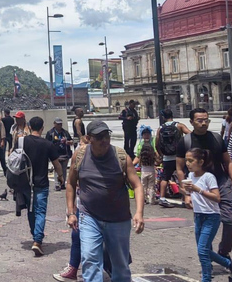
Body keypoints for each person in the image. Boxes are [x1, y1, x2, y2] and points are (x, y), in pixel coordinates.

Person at [65, 120, 144, 281]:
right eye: (99, 137)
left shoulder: (120, 156)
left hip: (118, 219)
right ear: (88, 138)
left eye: (106, 136)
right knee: (89, 258)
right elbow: (71, 184)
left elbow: (137, 185)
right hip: (89, 217)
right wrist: (71, 212)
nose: (104, 141)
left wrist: (139, 213)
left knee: (120, 265)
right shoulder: (79, 155)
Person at [176, 108, 232, 260]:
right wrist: (186, 194)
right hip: (197, 183)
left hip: (220, 181)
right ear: (191, 122)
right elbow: (180, 169)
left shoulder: (217, 138)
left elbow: (228, 162)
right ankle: (207, 259)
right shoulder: (185, 141)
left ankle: (223, 252)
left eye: (206, 120)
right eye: (200, 120)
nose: (204, 123)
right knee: (204, 223)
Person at [181, 148, 232, 282]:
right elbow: (191, 194)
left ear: (201, 162)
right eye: (186, 161)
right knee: (204, 250)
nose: (188, 164)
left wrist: (198, 190)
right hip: (198, 216)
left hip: (211, 216)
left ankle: (206, 279)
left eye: (191, 160)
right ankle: (230, 264)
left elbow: (217, 198)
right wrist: (186, 194)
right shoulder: (190, 177)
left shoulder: (208, 177)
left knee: (202, 250)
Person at [22, 116, 64, 256]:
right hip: (41, 182)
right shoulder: (47, 144)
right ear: (42, 128)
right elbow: (56, 164)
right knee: (40, 211)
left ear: (29, 126)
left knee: (30, 210)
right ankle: (37, 240)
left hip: (26, 183)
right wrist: (60, 177)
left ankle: (35, 235)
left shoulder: (22, 141)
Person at [156, 108, 190, 201]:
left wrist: (161, 154)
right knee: (182, 176)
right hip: (179, 156)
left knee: (165, 177)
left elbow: (157, 143)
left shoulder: (160, 128)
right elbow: (190, 134)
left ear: (163, 117)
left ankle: (162, 198)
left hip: (167, 157)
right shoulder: (179, 125)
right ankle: (185, 198)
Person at [133, 127, 158, 205]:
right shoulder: (151, 144)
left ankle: (143, 200)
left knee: (143, 186)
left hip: (144, 170)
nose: (146, 136)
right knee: (151, 186)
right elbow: (156, 156)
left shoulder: (143, 145)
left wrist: (136, 165)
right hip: (151, 170)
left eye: (148, 134)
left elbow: (138, 157)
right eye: (145, 134)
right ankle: (152, 200)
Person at [45, 117, 72, 190]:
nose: (59, 125)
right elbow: (47, 143)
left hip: (65, 153)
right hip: (55, 154)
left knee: (64, 169)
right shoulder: (50, 133)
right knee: (57, 169)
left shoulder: (65, 132)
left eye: (60, 124)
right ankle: (57, 184)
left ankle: (62, 184)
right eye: (58, 124)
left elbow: (71, 141)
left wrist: (68, 142)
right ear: (54, 124)